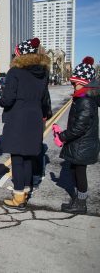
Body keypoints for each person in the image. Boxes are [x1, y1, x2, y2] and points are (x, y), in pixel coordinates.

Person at [0, 37, 51, 210]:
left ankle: (18, 196)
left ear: (19, 54)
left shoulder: (15, 72)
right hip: (35, 118)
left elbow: (7, 99)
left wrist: (2, 99)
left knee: (17, 158)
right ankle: (26, 190)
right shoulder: (43, 73)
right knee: (29, 157)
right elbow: (45, 99)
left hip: (18, 118)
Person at [52, 57, 99, 214]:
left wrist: (63, 136)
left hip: (82, 144)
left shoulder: (85, 100)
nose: (73, 85)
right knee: (74, 170)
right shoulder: (82, 97)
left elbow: (80, 127)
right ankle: (78, 199)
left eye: (75, 82)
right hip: (80, 144)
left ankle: (81, 203)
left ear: (84, 82)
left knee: (79, 172)